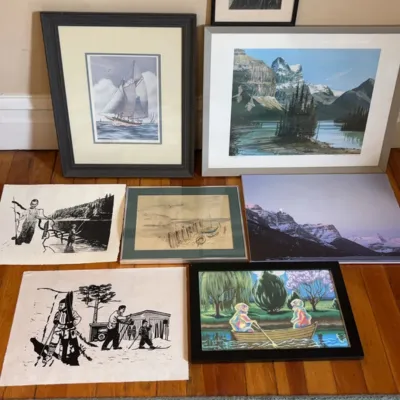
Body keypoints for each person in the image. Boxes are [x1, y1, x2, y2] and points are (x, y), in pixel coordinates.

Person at [43, 293, 82, 364]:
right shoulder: (58, 313)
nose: (60, 306)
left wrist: (73, 323)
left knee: (65, 343)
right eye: (59, 305)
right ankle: (49, 355)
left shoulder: (72, 312)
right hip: (59, 329)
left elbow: (78, 318)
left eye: (61, 305)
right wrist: (55, 321)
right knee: (53, 342)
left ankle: (64, 355)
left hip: (67, 330)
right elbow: (56, 318)